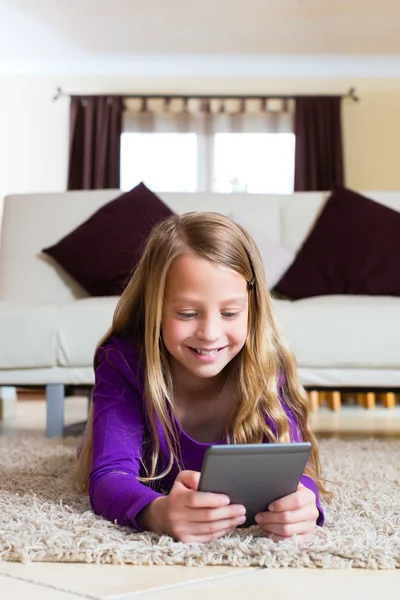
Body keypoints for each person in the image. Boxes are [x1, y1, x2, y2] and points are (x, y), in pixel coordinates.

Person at [75, 212, 330, 543]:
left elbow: (295, 468)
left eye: (229, 313)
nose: (210, 334)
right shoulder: (123, 362)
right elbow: (109, 476)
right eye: (187, 314)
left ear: (252, 309)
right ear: (155, 307)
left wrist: (304, 504)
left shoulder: (267, 363)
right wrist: (158, 513)